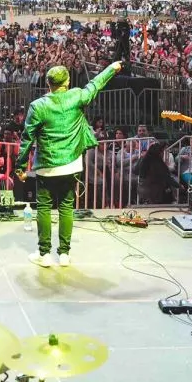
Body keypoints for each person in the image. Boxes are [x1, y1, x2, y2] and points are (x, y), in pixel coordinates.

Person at [16, 61, 121, 267]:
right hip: (72, 165)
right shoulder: (76, 96)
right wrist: (112, 68)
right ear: (68, 81)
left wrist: (20, 166)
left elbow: (27, 138)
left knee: (44, 207)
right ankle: (64, 254)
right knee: (66, 207)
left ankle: (44, 254)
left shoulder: (37, 106)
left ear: (48, 84)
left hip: (47, 165)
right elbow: (95, 84)